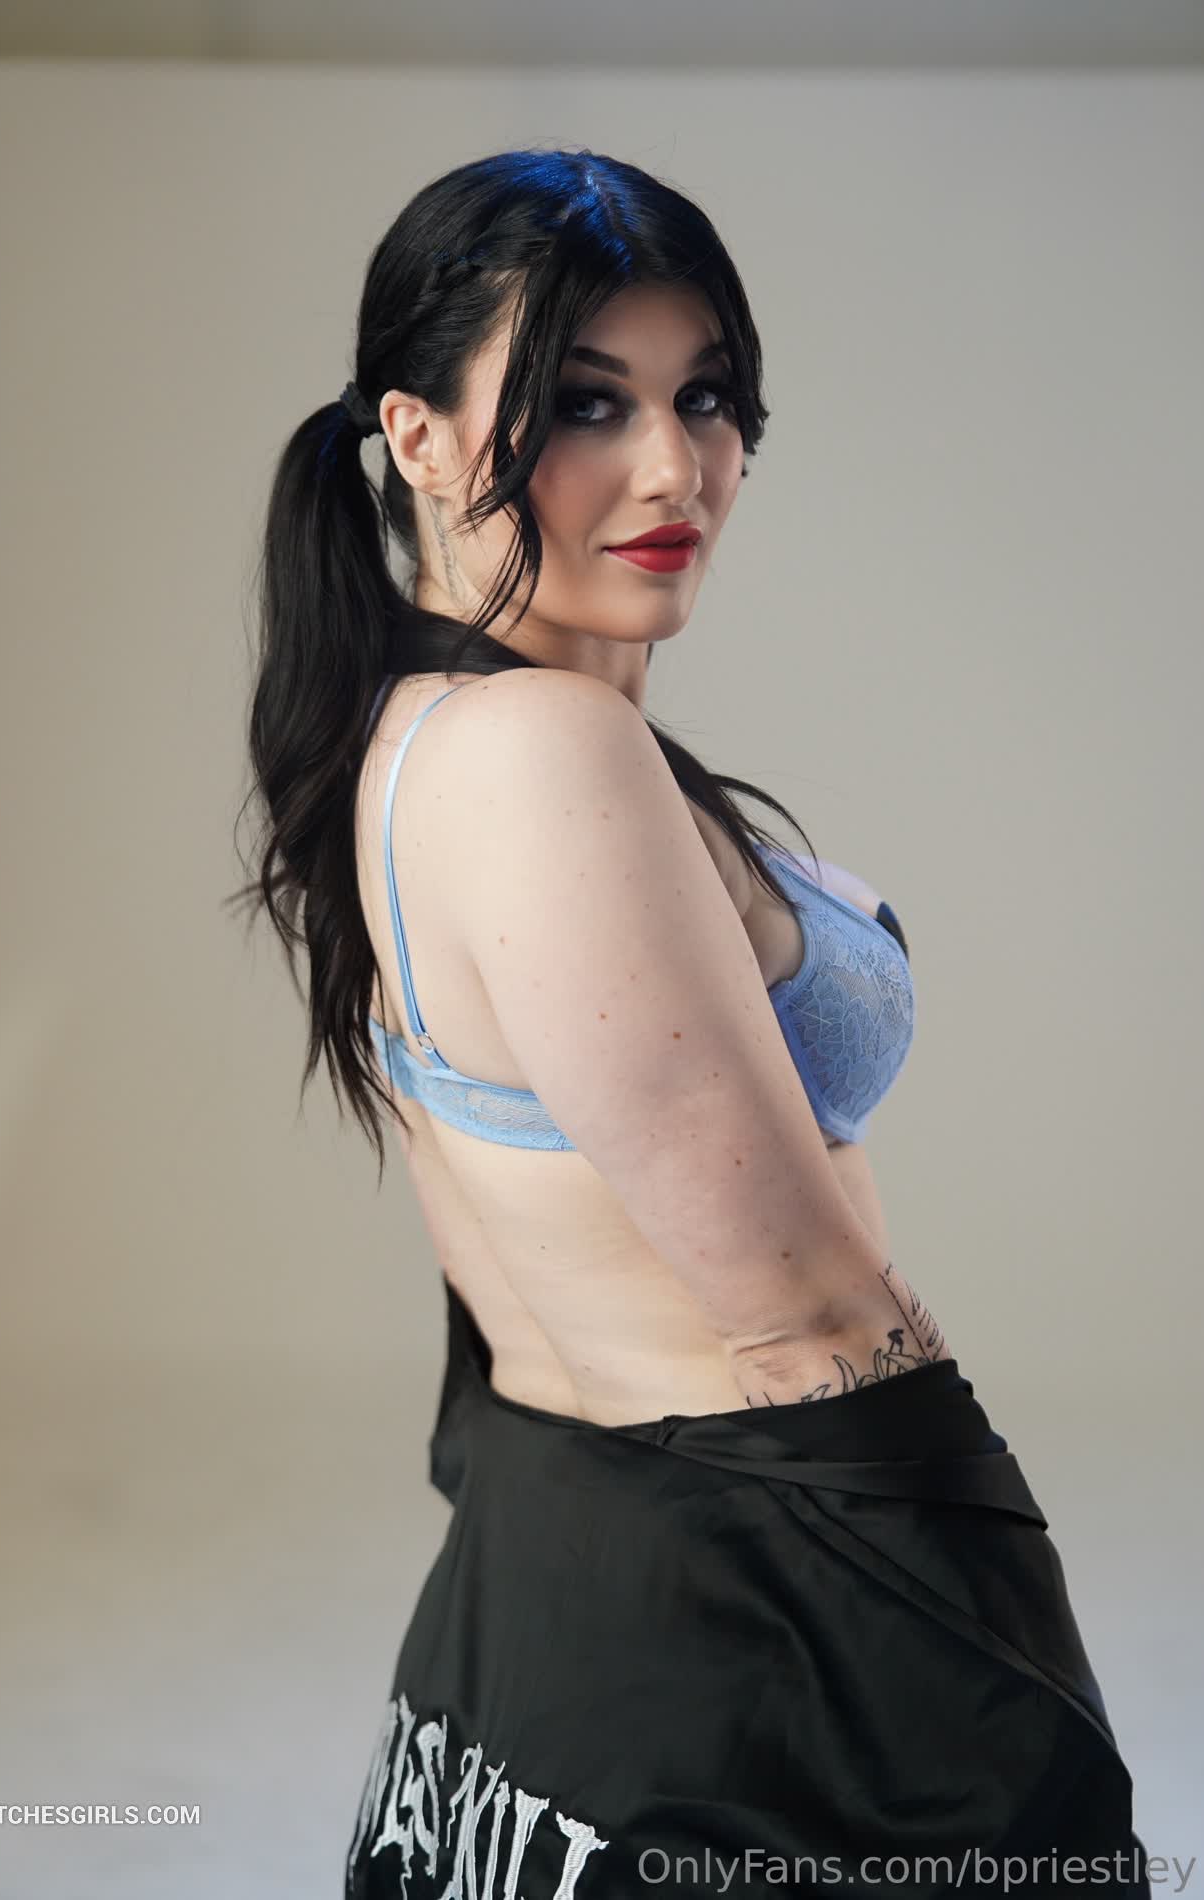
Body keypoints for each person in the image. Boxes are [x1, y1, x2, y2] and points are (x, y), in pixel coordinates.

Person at [230, 147, 1150, 1897]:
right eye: (588, 403)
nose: (676, 469)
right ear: (418, 436)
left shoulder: (409, 733)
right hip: (761, 1630)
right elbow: (805, 1311)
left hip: (564, 1575)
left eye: (704, 396)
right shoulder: (544, 751)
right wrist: (1004, 1689)